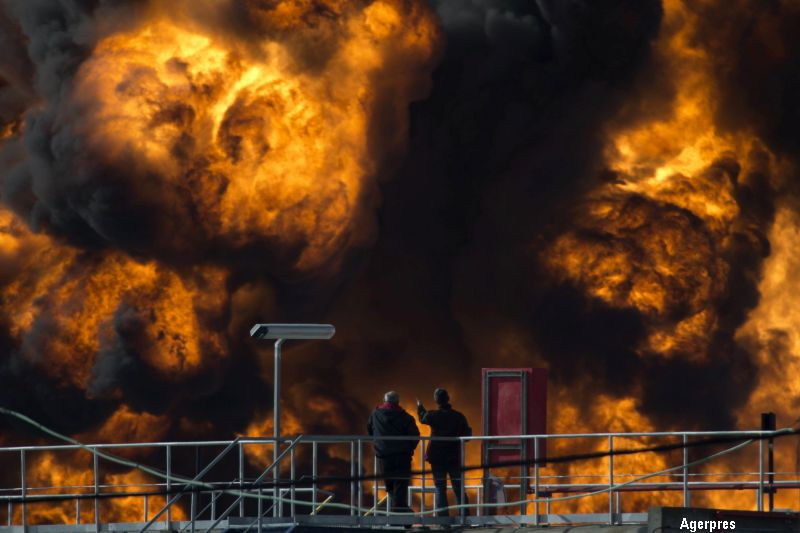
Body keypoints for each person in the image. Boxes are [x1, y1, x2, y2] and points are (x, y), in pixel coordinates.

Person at [417, 388, 471, 517]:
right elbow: (467, 435)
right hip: (454, 457)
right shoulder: (458, 416)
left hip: (437, 458)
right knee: (458, 488)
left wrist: (419, 406)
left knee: (440, 487)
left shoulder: (433, 415)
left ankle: (443, 520)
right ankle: (465, 517)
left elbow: (422, 418)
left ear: (436, 400)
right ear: (448, 399)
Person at [367, 391, 420, 513]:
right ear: (397, 402)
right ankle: (399, 513)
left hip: (383, 455)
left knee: (389, 486)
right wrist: (408, 449)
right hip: (402, 456)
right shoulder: (406, 417)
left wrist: (380, 444)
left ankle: (393, 514)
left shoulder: (375, 415)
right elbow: (415, 436)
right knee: (401, 485)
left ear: (384, 401)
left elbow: (370, 431)